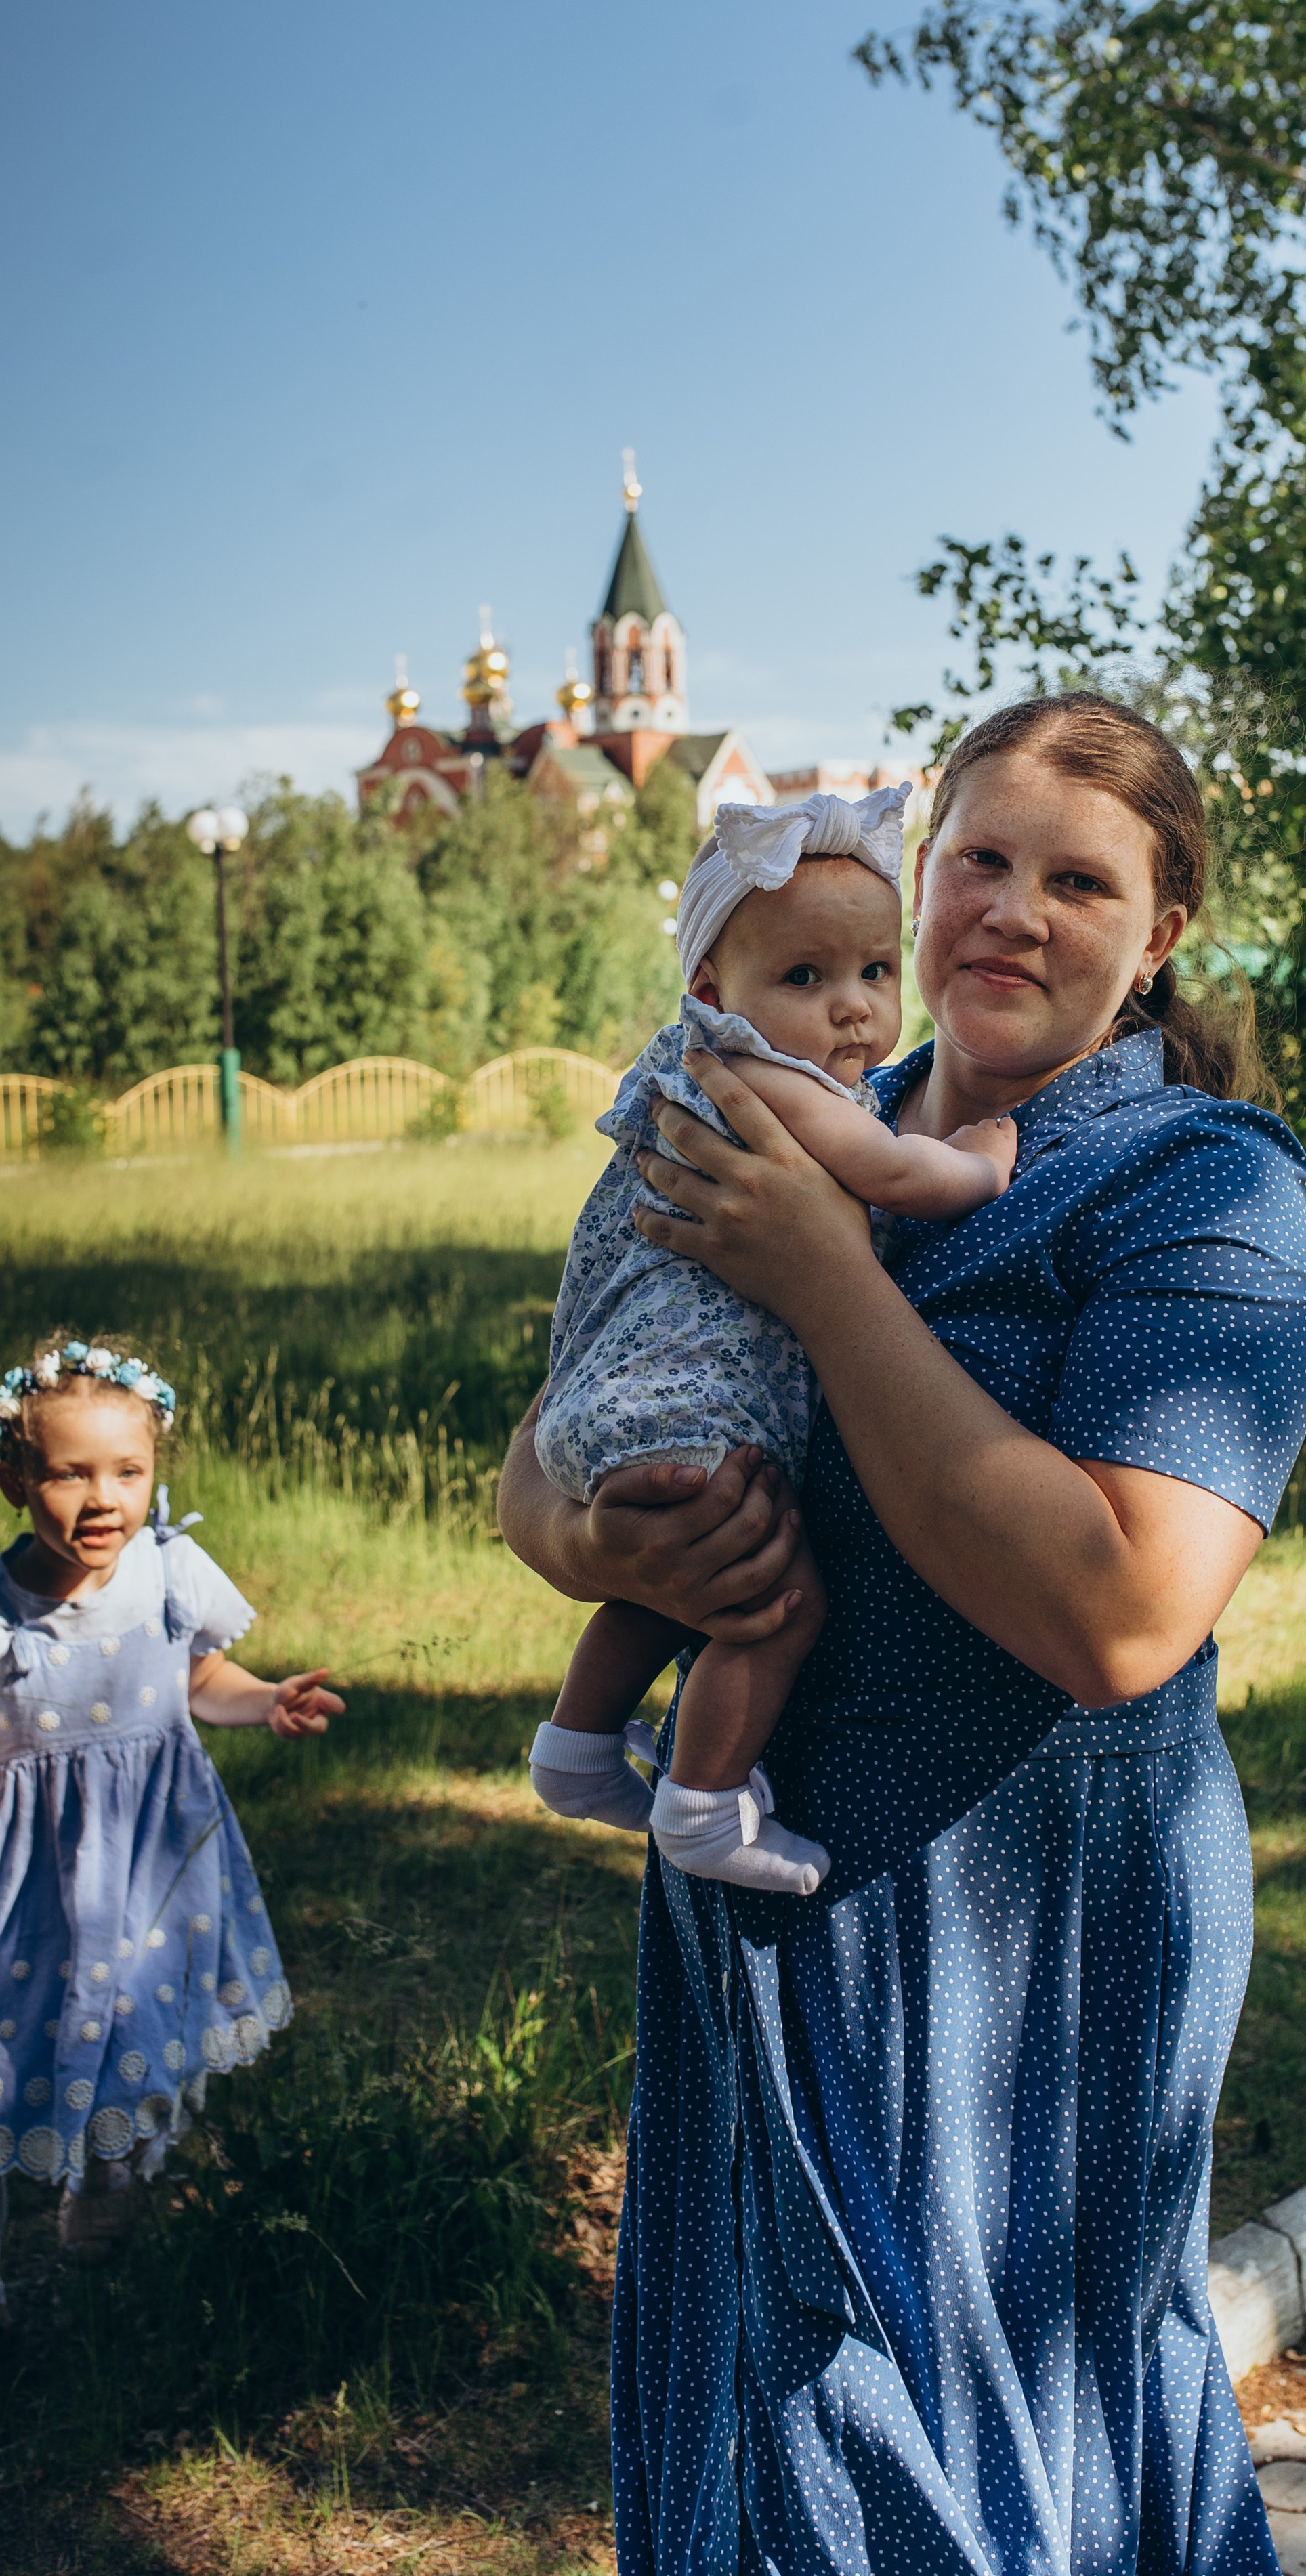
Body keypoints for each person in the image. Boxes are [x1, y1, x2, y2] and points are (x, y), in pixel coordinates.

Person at [499, 693, 1306, 2575]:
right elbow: (548, 1437)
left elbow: (1122, 1613)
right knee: (768, 2421)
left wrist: (827, 1285)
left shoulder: (1202, 1192)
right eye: (980, 859)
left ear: (1161, 930)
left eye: (1078, 880)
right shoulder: (801, 1110)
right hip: (767, 1917)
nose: (1013, 914)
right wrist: (610, 1536)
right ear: (915, 866)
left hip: (1027, 1946)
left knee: (990, 2434)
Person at [530, 783, 1015, 1895]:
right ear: (714, 988)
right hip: (695, 1409)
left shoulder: (684, 1069)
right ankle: (703, 1808)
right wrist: (983, 1162)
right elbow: (899, 1175)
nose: (853, 1010)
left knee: (663, 1588)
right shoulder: (762, 1078)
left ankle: (574, 1747)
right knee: (772, 1601)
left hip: (609, 1404)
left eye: (873, 973)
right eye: (806, 978)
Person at [0, 1333, 343, 2420]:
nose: (103, 1498)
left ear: (154, 1471)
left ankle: (110, 2166)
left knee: (135, 2031)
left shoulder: (169, 1568)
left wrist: (262, 1699)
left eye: (125, 1472)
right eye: (69, 1473)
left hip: (149, 1874)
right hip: (19, 1909)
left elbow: (200, 1675)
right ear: (14, 1480)